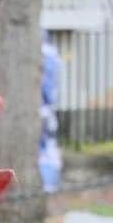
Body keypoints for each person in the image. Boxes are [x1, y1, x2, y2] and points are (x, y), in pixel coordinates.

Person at [39, 30, 64, 193]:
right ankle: (51, 182)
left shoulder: (40, 55)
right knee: (50, 144)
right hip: (49, 108)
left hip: (40, 107)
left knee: (42, 147)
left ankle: (45, 181)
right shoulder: (55, 56)